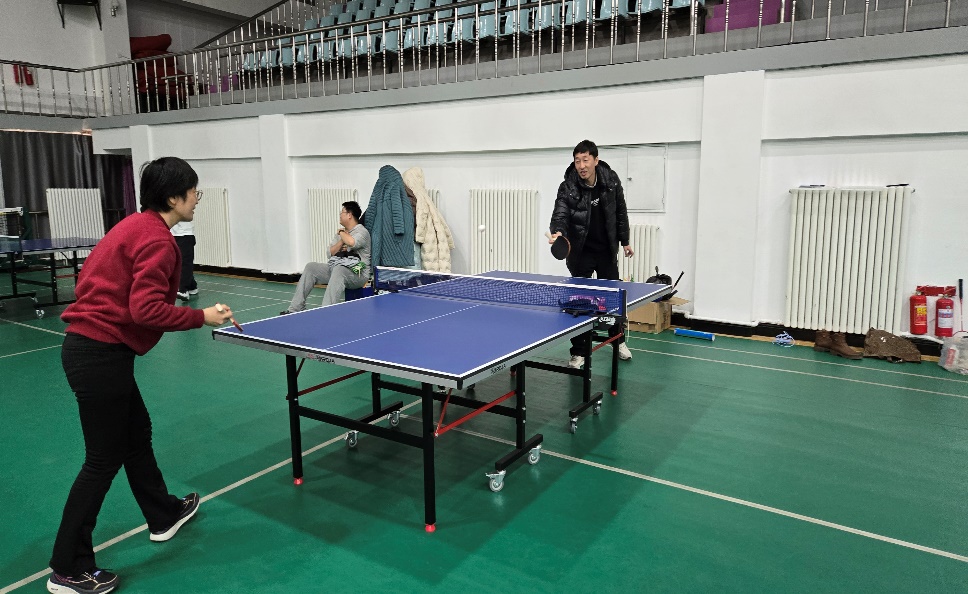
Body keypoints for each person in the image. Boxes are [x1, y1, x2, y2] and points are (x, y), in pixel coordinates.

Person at [48, 157, 235, 594]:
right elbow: (145, 310)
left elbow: (96, 286)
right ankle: (68, 568)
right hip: (99, 353)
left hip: (97, 350)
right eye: (193, 191)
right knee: (101, 461)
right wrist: (201, 316)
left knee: (136, 433)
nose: (197, 198)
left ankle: (163, 514)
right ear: (173, 197)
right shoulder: (158, 241)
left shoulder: (135, 226)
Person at [549, 139, 634, 369]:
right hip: (581, 253)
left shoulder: (610, 180)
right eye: (577, 161)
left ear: (596, 160)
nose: (581, 165)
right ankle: (579, 352)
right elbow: (560, 214)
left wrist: (625, 241)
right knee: (579, 305)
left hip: (606, 250)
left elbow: (620, 211)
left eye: (585, 160)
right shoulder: (568, 186)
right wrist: (558, 232)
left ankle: (618, 341)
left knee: (614, 301)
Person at [281, 201, 371, 314]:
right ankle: (295, 308)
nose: (340, 215)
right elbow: (330, 253)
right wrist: (341, 241)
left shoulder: (362, 232)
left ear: (349, 215)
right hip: (338, 270)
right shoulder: (341, 233)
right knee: (311, 267)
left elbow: (352, 242)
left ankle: (326, 312)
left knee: (339, 269)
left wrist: (342, 234)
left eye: (342, 212)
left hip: (358, 275)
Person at [171, 217, 198, 301]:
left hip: (184, 234)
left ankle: (183, 290)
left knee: (185, 263)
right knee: (176, 262)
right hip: (173, 234)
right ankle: (192, 286)